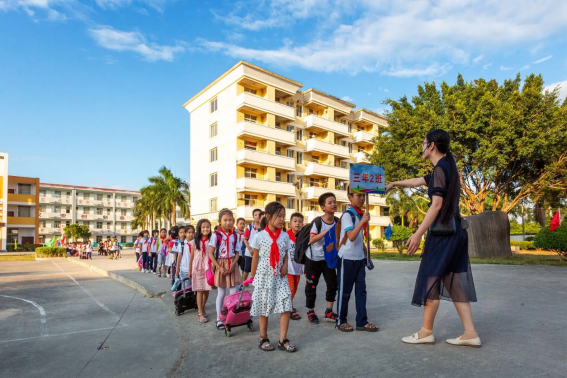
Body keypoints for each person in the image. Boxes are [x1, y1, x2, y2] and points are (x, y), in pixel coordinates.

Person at [385, 129, 480, 347]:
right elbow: (419, 180)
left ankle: (426, 331)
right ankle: (470, 333)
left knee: (431, 280)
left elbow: (436, 205)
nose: (421, 145)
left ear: (432, 146)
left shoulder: (440, 168)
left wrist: (418, 233)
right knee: (452, 283)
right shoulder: (447, 167)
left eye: (423, 142)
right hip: (457, 233)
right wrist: (394, 184)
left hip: (442, 235)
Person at [249, 202, 296, 352]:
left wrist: (285, 265)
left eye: (284, 216)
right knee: (264, 306)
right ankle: (263, 337)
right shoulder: (259, 236)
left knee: (286, 305)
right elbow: (255, 257)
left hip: (280, 276)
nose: (282, 219)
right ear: (268, 217)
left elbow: (287, 254)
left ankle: (283, 339)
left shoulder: (284, 236)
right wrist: (253, 275)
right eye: (279, 216)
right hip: (265, 275)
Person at [335, 187, 378, 332]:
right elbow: (352, 236)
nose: (361, 199)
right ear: (349, 197)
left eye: (363, 196)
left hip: (359, 259)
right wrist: (363, 221)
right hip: (346, 258)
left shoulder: (360, 215)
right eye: (358, 195)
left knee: (361, 291)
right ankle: (341, 320)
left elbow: (360, 240)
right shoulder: (348, 215)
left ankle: (362, 321)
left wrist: (366, 255)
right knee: (344, 292)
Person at [305, 192, 339, 324]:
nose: (333, 204)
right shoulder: (318, 222)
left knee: (332, 284)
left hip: (328, 259)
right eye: (330, 202)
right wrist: (327, 231)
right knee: (311, 286)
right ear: (323, 207)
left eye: (334, 202)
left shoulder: (337, 221)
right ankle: (310, 311)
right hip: (313, 259)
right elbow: (312, 239)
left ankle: (329, 311)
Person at [209, 208, 242, 330]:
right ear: (219, 221)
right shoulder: (216, 235)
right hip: (221, 264)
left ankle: (231, 317)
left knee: (234, 293)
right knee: (221, 293)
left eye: (230, 220)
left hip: (232, 263)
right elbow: (211, 254)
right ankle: (219, 319)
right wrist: (219, 267)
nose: (228, 222)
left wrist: (234, 264)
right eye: (225, 220)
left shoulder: (234, 235)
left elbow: (237, 252)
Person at [189, 219, 212, 323]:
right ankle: (200, 313)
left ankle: (202, 307)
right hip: (197, 267)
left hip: (208, 267)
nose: (205, 229)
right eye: (203, 227)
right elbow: (192, 257)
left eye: (207, 227)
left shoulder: (212, 240)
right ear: (199, 228)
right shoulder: (195, 241)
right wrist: (190, 270)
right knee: (199, 290)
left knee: (207, 290)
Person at [286, 212, 304, 321]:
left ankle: (289, 305)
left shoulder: (302, 237)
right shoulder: (286, 236)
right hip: (288, 268)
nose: (297, 224)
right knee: (291, 289)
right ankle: (288, 309)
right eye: (295, 221)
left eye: (300, 222)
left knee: (295, 288)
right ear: (290, 224)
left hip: (298, 268)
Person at [242, 209, 262, 284]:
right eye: (255, 215)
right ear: (253, 216)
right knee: (247, 269)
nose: (257, 217)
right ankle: (243, 283)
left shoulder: (264, 226)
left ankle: (256, 283)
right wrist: (249, 249)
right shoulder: (250, 226)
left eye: (259, 215)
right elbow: (245, 239)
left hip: (259, 251)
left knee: (258, 268)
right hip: (250, 251)